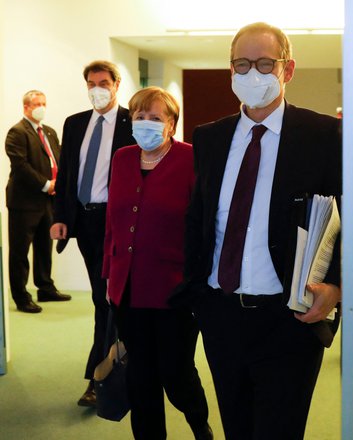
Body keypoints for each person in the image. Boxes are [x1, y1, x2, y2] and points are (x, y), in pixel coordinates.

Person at [171, 22, 341, 440]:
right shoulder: (209, 138)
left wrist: (336, 285)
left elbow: (348, 217)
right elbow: (199, 219)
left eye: (265, 64)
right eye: (242, 64)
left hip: (288, 318)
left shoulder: (323, 135)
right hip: (221, 313)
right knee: (237, 426)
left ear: (288, 69)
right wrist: (197, 298)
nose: (253, 75)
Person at [102, 86, 212, 439]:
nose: (145, 123)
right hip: (127, 288)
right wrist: (109, 275)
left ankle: (199, 425)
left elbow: (205, 225)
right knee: (140, 374)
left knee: (176, 373)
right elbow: (113, 222)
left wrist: (199, 280)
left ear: (171, 124)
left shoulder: (192, 158)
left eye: (155, 118)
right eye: (139, 117)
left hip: (173, 289)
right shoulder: (122, 157)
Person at [50, 60, 135, 407]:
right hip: (85, 224)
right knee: (107, 298)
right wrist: (60, 217)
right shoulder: (74, 124)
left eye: (103, 82)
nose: (96, 89)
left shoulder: (134, 121)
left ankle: (100, 377)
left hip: (117, 224)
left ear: (116, 85)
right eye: (90, 83)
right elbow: (68, 174)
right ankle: (114, 369)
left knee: (110, 299)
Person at [5, 90, 70, 313]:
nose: (41, 107)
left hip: (48, 202)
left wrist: (58, 183)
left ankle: (45, 288)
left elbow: (59, 159)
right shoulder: (17, 132)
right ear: (26, 107)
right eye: (36, 104)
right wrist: (46, 184)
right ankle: (21, 297)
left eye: (43, 103)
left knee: (45, 246)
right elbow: (21, 166)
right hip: (24, 202)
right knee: (20, 251)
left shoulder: (49, 132)